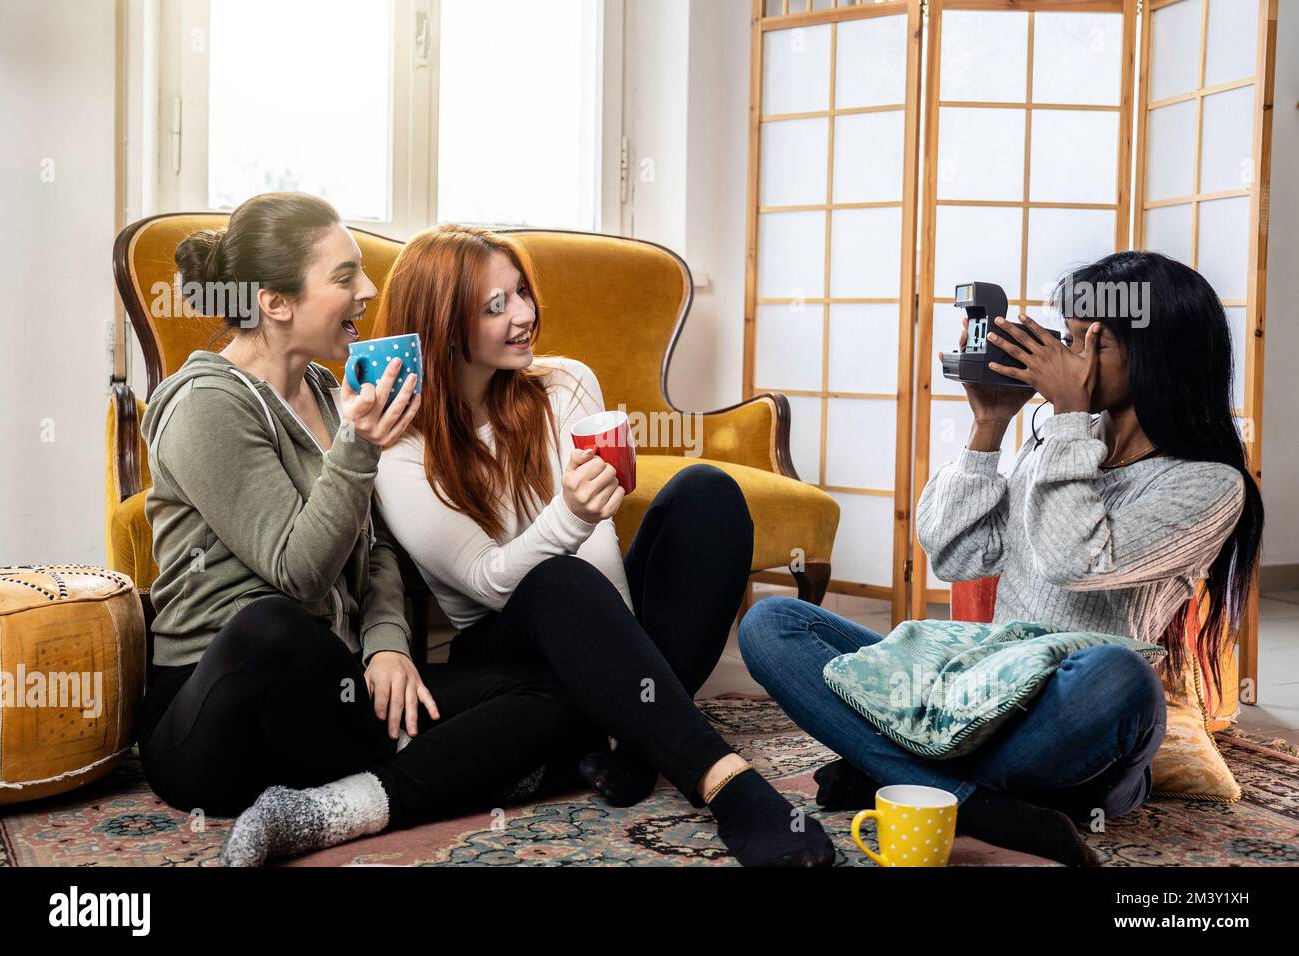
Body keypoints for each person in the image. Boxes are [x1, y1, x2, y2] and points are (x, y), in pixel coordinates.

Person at [739, 250, 1263, 866]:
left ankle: (891, 769)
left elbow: (1077, 560)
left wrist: (1068, 420)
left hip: (1074, 724)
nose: (1066, 360)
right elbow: (956, 554)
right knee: (774, 624)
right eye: (1067, 338)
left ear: (1157, 353)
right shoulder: (1059, 440)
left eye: (1087, 343)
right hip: (988, 692)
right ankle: (972, 800)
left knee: (1123, 679)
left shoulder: (1208, 483)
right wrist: (987, 428)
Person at [138, 193, 593, 867]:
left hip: (335, 690)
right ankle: (472, 766)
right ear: (275, 303)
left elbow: (373, 549)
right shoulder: (206, 405)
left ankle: (344, 804)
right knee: (273, 624)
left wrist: (388, 647)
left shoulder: (330, 392)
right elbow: (299, 570)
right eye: (346, 276)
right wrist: (356, 449)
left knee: (549, 689)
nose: (369, 290)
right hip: (218, 716)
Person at [371, 223, 836, 866]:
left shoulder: (563, 384)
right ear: (444, 327)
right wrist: (569, 515)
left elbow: (599, 553)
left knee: (709, 492)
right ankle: (728, 782)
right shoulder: (401, 447)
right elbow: (485, 580)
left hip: (599, 617)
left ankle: (638, 741)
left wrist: (622, 661)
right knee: (558, 578)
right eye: (496, 305)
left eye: (523, 293)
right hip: (508, 647)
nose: (526, 315)